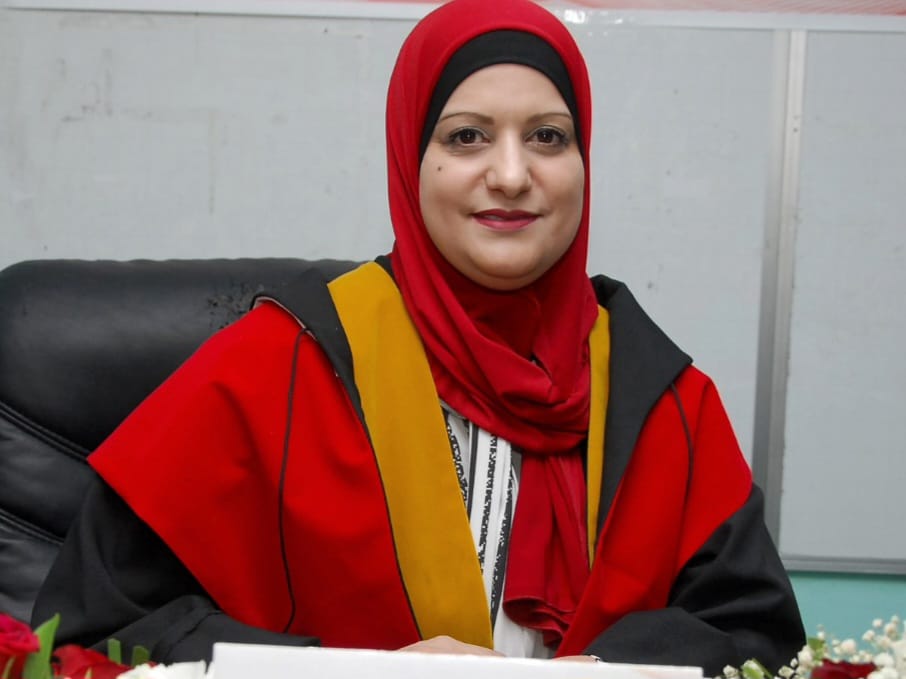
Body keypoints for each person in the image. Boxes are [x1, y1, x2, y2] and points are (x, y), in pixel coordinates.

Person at [32, 0, 805, 673]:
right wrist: (358, 676)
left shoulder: (665, 400)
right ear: (411, 156)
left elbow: (759, 639)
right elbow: (95, 635)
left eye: (547, 136)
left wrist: (602, 675)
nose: (511, 174)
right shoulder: (277, 368)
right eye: (467, 138)